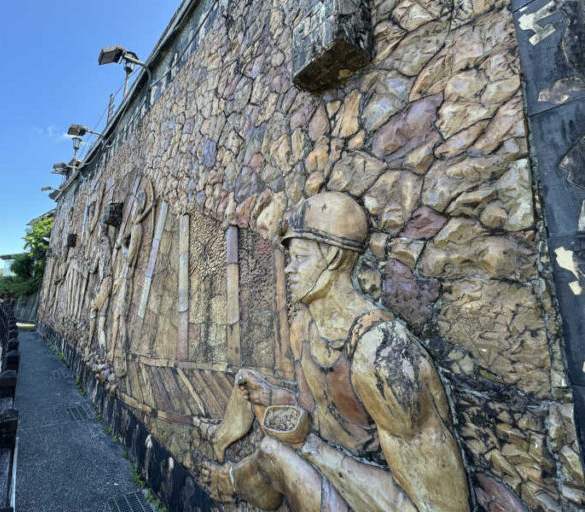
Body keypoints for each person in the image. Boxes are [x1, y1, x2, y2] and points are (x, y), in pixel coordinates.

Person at [199, 191, 469, 512]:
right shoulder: (305, 327)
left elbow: (440, 507)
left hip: (377, 498)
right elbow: (319, 415)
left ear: (330, 256)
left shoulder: (381, 354)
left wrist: (308, 447)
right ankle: (224, 443)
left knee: (273, 454)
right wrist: (273, 398)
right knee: (249, 385)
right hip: (336, 469)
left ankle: (230, 482)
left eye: (299, 257)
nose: (288, 270)